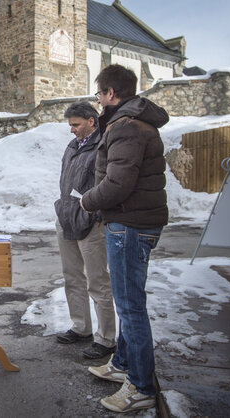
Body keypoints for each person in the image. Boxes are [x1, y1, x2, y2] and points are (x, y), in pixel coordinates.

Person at [80, 64, 169, 413]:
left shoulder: (126, 126)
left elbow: (118, 183)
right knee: (127, 302)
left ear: (111, 94)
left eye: (100, 94)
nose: (99, 101)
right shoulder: (133, 121)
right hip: (132, 222)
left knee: (131, 307)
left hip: (129, 225)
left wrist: (87, 200)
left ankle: (142, 386)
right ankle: (123, 364)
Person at [53, 101, 116, 360]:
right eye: (70, 125)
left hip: (92, 223)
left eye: (76, 125)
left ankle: (106, 339)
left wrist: (99, 215)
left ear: (92, 121)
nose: (72, 130)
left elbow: (109, 183)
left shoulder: (104, 145)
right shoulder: (72, 146)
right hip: (66, 218)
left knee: (98, 282)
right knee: (72, 277)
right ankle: (81, 328)